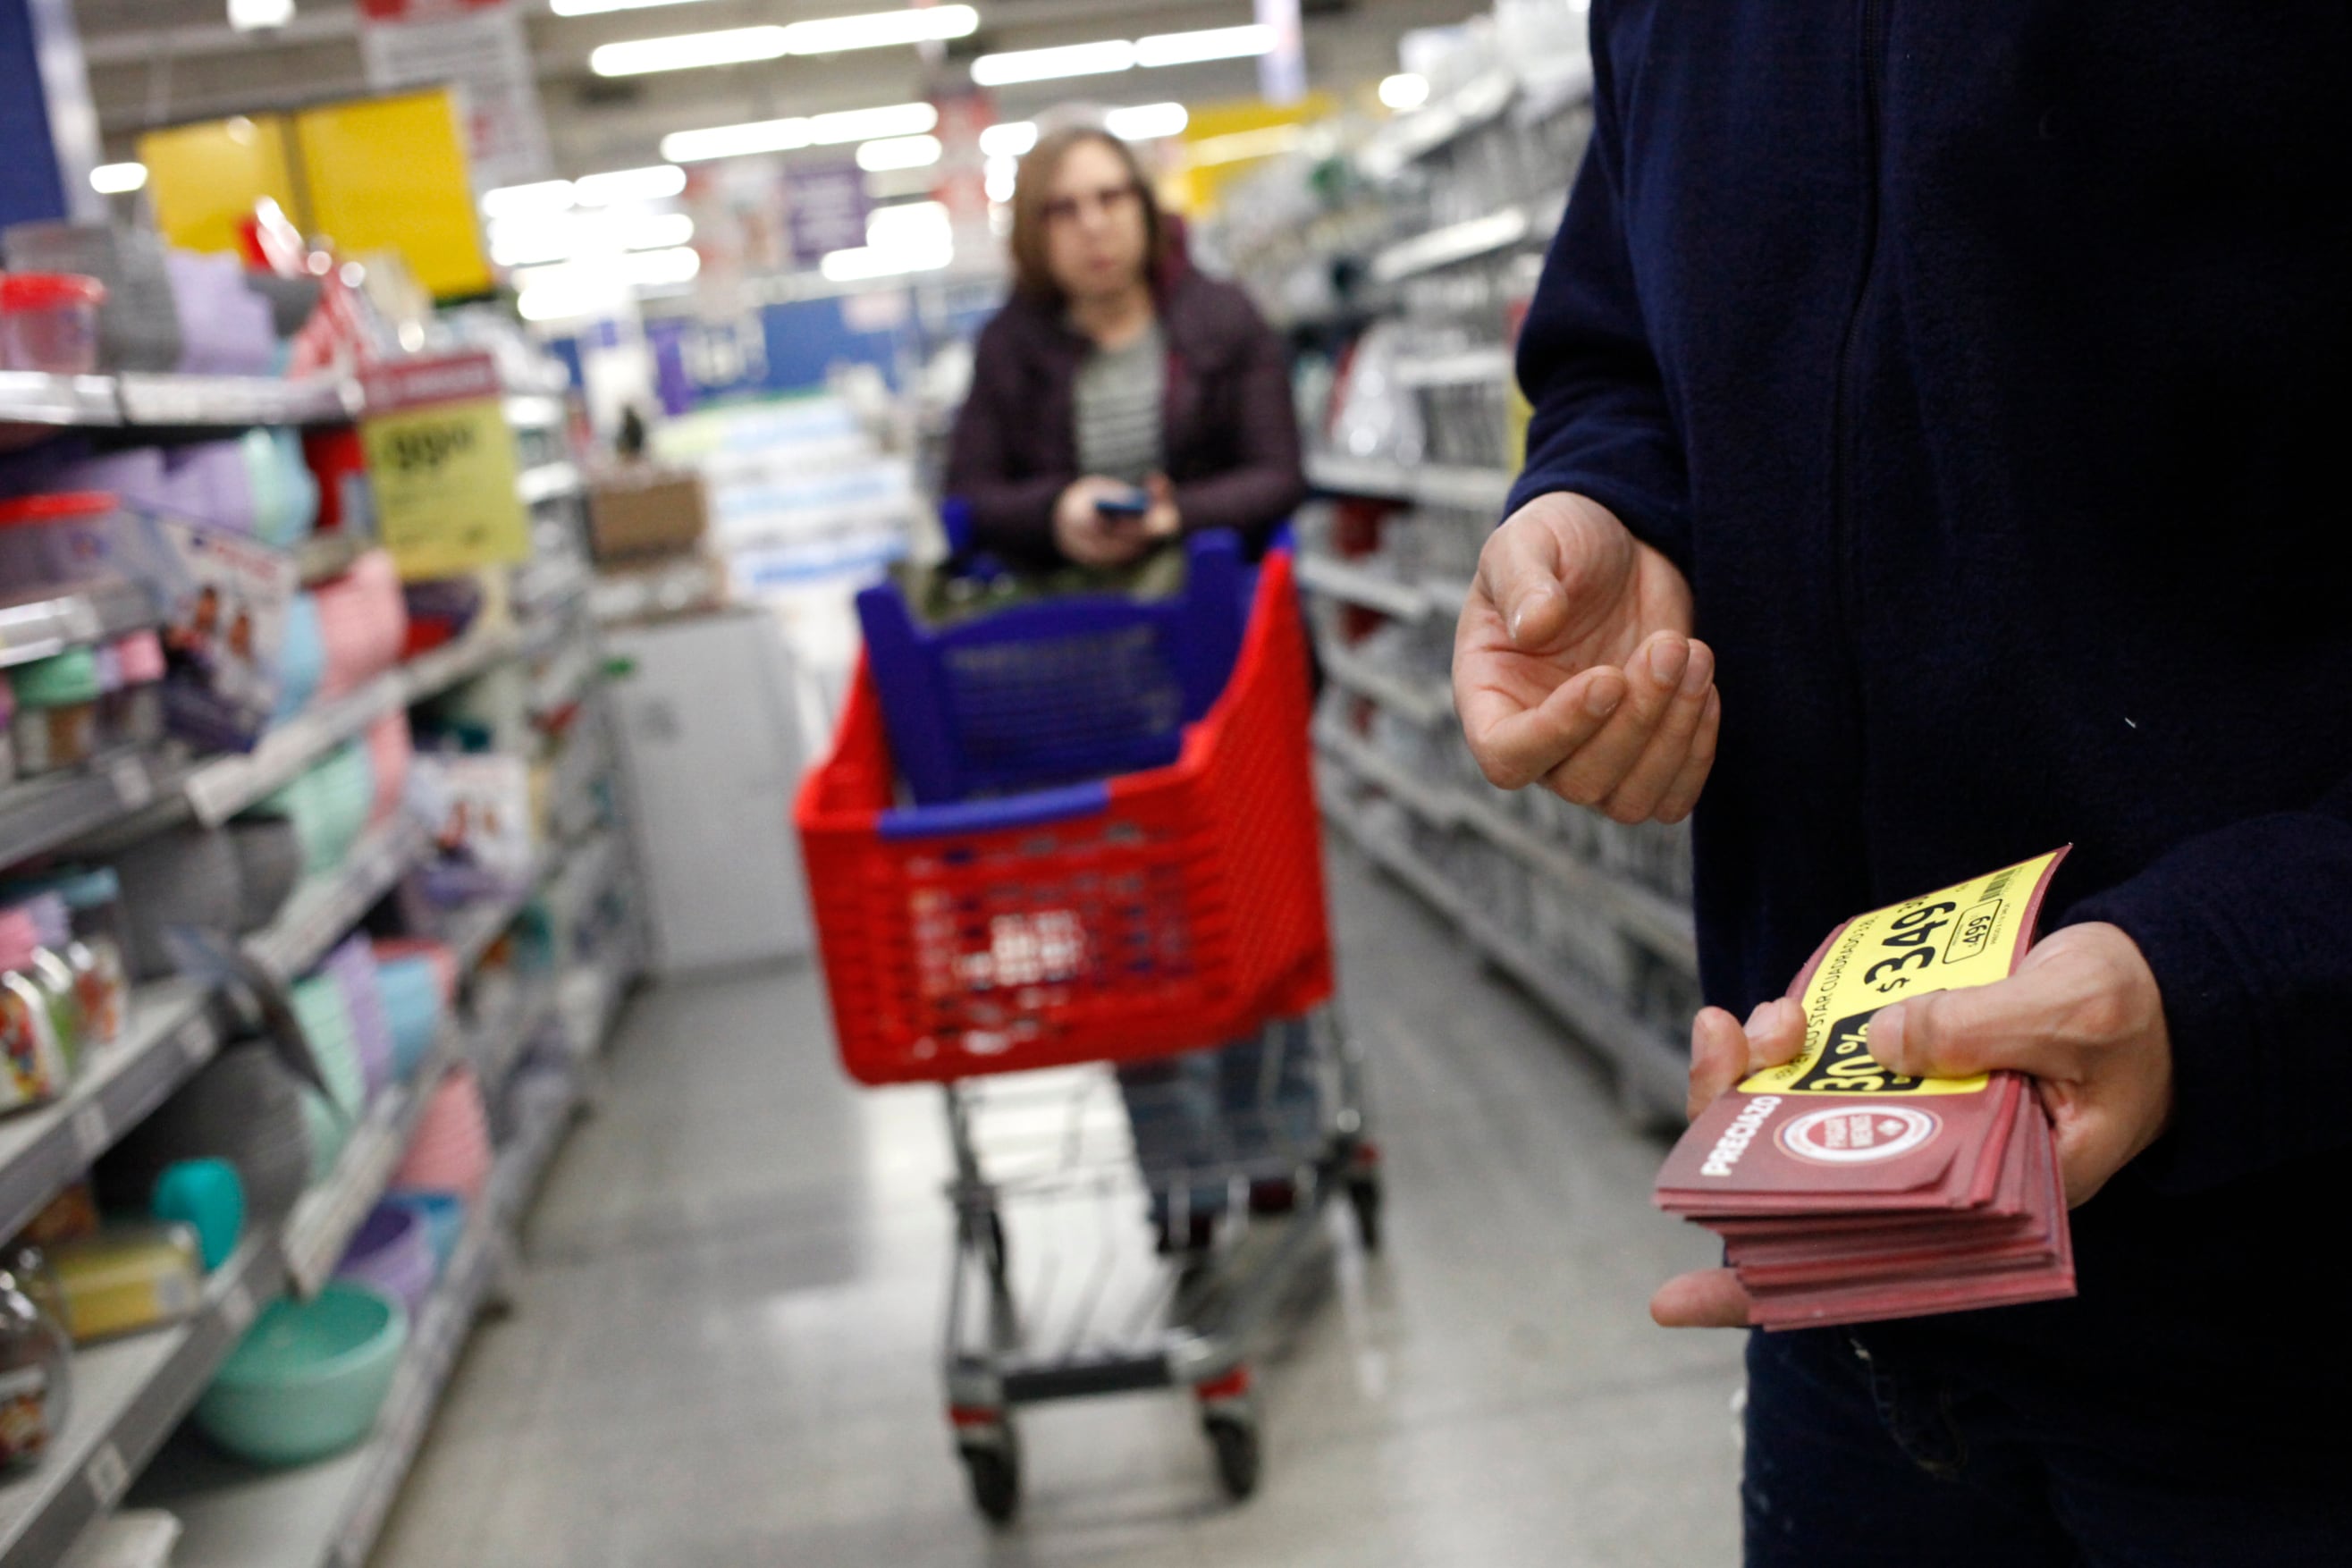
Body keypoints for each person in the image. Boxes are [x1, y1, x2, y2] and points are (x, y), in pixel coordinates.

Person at [1453, 8, 2348, 1564]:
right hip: (1854, 1292)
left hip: (2295, 1320)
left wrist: (2232, 972)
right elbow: (1621, 326)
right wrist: (1607, 494)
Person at [946, 124, 1315, 1252]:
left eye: (1112, 197)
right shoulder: (1012, 351)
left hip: (1227, 664)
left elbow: (1276, 474)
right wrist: (1056, 509)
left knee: (1254, 904)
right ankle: (1177, 1174)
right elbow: (965, 499)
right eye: (1064, 207)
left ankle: (1268, 1150)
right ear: (1033, 232)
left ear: (1146, 209)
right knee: (1133, 935)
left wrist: (1174, 516)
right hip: (1092, 683)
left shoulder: (1220, 318)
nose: (1095, 223)